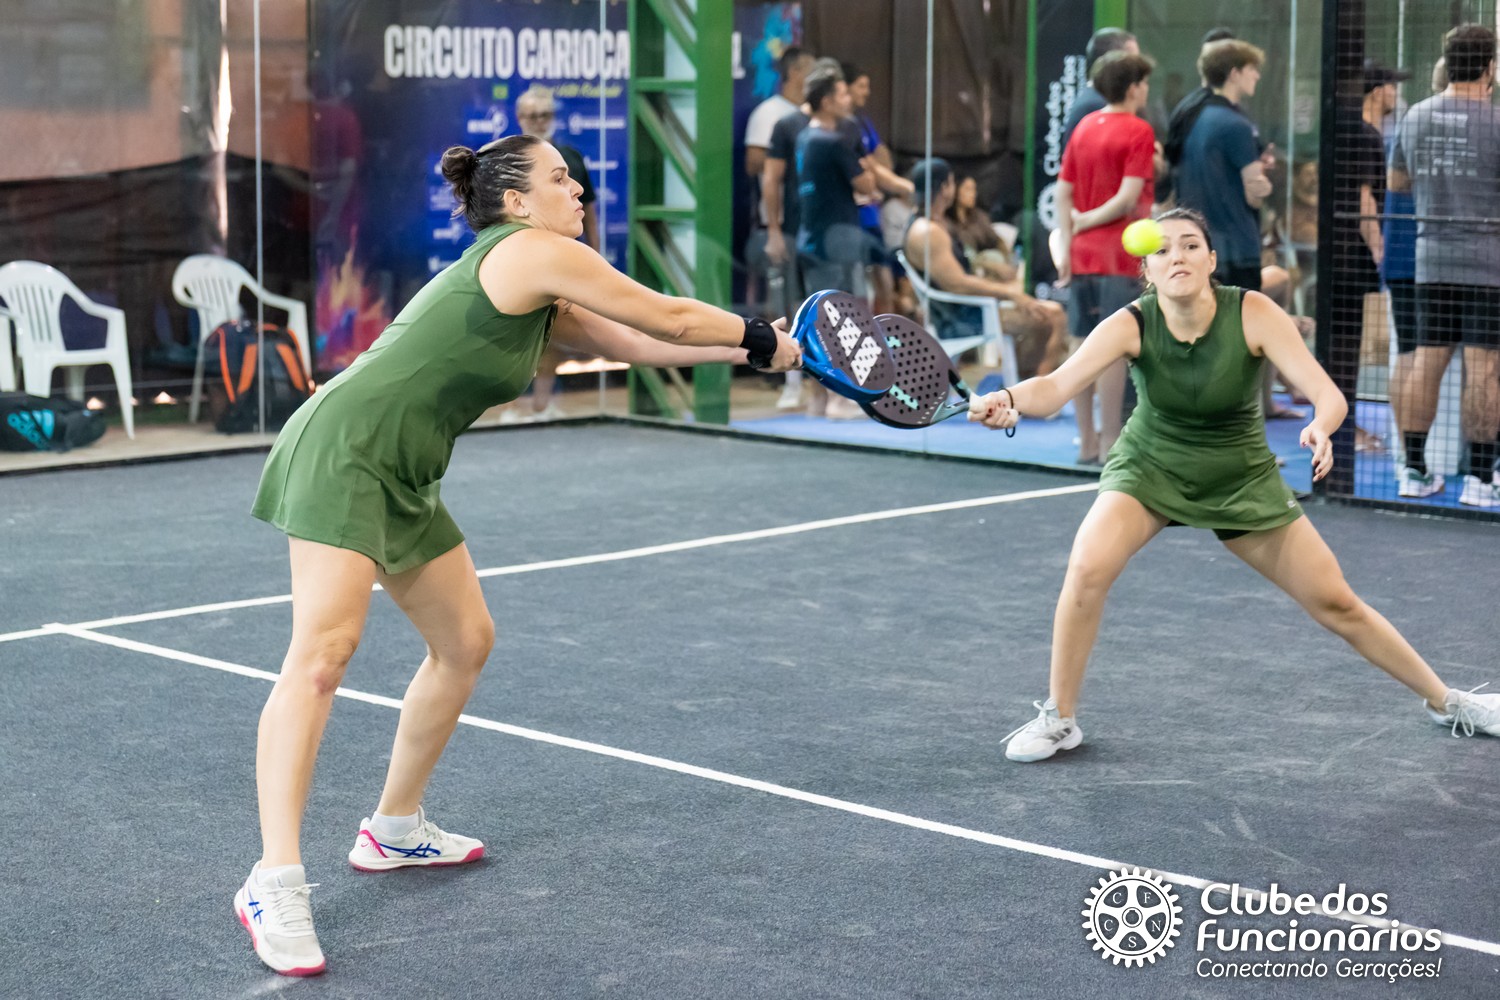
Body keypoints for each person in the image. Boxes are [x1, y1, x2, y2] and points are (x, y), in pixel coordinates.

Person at [235, 134, 802, 976]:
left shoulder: (542, 290)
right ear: (515, 203)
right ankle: (272, 881)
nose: (578, 192)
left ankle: (393, 829)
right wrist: (754, 331)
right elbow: (670, 314)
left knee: (465, 642)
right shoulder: (531, 252)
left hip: (405, 468)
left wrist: (759, 349)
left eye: (575, 179)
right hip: (344, 450)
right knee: (322, 657)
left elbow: (646, 343)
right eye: (559, 179)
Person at [967, 209, 1500, 761]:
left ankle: (1449, 701)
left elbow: (1328, 395)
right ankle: (1059, 718)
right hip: (1149, 467)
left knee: (1336, 602)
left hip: (1239, 475)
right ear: (1147, 269)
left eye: (1190, 245)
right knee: (1086, 570)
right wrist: (1007, 399)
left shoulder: (1254, 312)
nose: (1178, 256)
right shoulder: (1131, 323)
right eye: (1163, 249)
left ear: (1211, 260)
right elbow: (1055, 387)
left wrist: (1321, 426)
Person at [1387, 24, 1500, 506]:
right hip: (1487, 263)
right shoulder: (1496, 122)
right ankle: (1480, 479)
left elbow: (1397, 183)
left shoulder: (1415, 115)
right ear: (1489, 66)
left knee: (1426, 362)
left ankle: (1413, 470)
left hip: (1430, 259)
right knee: (1484, 368)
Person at [1056, 50, 1158, 464]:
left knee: (1081, 343)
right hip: (1119, 253)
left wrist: (1069, 239)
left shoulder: (1084, 126)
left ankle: (1086, 441)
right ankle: (1111, 439)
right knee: (1112, 347)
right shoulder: (1139, 130)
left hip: (1083, 254)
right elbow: (1128, 197)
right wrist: (1087, 220)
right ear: (1133, 88)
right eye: (1144, 83)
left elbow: (1063, 192)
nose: (1146, 90)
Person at [903, 159, 1065, 378]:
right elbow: (957, 283)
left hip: (970, 309)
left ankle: (1023, 380)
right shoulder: (928, 232)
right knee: (1053, 316)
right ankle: (1037, 387)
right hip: (964, 318)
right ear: (945, 187)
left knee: (1045, 312)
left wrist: (992, 270)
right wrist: (1009, 293)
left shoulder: (932, 225)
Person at [503, 84, 602, 422]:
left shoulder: (571, 157)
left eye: (544, 115)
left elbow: (589, 209)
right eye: (531, 116)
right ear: (519, 118)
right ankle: (512, 408)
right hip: (519, 262)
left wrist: (595, 255)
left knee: (554, 332)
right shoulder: (504, 160)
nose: (538, 121)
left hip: (562, 261)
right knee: (514, 337)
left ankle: (542, 405)